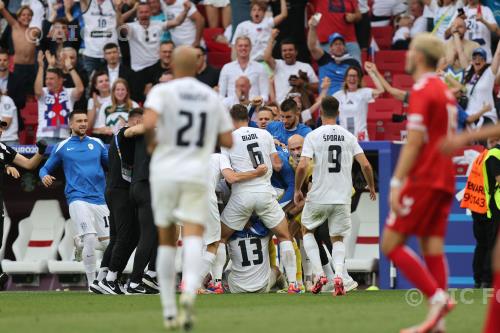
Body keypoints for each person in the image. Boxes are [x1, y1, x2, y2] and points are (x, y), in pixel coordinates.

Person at [143, 45, 233, 330]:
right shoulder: (209, 95)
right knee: (195, 233)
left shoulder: (162, 91)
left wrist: (153, 144)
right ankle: (190, 295)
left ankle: (169, 308)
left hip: (165, 170)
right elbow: (228, 140)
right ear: (197, 66)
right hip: (195, 170)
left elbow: (149, 125)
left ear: (172, 67)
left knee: (168, 238)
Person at [380, 33, 457, 332]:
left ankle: (437, 299)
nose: (407, 56)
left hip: (425, 176)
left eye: (411, 51)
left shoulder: (423, 89)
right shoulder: (445, 89)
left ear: (420, 56)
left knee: (390, 242)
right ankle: (438, 323)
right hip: (445, 176)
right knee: (432, 246)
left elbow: (413, 142)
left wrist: (397, 182)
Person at [294, 96, 376, 296]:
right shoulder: (349, 136)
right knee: (338, 238)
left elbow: (303, 165)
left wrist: (297, 189)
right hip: (342, 198)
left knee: (306, 231)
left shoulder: (313, 136)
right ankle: (339, 276)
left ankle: (320, 274)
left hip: (319, 195)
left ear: (320, 113)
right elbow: (365, 164)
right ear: (338, 113)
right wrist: (371, 186)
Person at [219, 104, 300, 294]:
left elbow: (227, 174)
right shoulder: (264, 135)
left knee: (220, 238)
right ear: (249, 119)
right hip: (265, 193)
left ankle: (215, 281)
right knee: (284, 236)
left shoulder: (227, 139)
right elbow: (278, 165)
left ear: (232, 121)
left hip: (241, 195)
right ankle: (294, 285)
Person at [39, 110, 110, 292]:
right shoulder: (62, 146)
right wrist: (44, 176)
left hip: (100, 199)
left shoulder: (97, 143)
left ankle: (101, 280)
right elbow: (44, 168)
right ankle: (92, 283)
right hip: (77, 198)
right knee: (90, 237)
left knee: (110, 244)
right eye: (79, 121)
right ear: (71, 124)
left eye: (85, 121)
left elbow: (111, 165)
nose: (83, 124)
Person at [440, 120, 500, 333]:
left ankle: (480, 280)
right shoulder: (491, 157)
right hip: (485, 206)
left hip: (477, 205)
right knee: (488, 246)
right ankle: (485, 280)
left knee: (483, 245)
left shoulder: (480, 157)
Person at [200, 152, 269, 294]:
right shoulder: (220, 157)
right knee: (214, 242)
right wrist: (256, 172)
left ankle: (191, 281)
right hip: (205, 198)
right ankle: (201, 282)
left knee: (192, 241)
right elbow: (231, 178)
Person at [97, 109, 145, 295]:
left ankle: (101, 278)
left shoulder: (124, 139)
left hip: (115, 190)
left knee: (118, 237)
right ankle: (111, 279)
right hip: (120, 192)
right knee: (128, 236)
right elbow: (131, 131)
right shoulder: (124, 133)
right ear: (136, 121)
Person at [117, 1, 190, 101]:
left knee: (158, 99)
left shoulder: (158, 25)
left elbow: (177, 22)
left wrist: (186, 10)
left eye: (146, 12)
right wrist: (133, 9)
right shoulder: (132, 27)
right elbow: (119, 24)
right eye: (141, 12)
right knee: (139, 100)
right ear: (137, 14)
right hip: (138, 71)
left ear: (150, 13)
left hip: (156, 69)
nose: (144, 14)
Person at [0, 137, 47, 288]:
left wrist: (41, 151)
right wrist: (6, 165)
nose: (1, 130)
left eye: (2, 128)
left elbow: (29, 164)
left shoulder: (3, 148)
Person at [34, 51, 84, 145]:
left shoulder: (69, 93)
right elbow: (37, 91)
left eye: (51, 79)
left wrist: (70, 67)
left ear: (61, 80)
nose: (48, 81)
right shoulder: (43, 92)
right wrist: (41, 67)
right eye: (47, 79)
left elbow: (80, 89)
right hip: (44, 137)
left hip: (64, 138)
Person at [226, 220, 286, 293]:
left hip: (236, 288)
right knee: (275, 269)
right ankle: (287, 287)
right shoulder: (265, 233)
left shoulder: (229, 237)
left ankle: (217, 283)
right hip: (262, 288)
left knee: (228, 270)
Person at [0, 1, 40, 112]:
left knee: (33, 95)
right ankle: (15, 117)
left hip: (32, 68)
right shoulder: (14, 26)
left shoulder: (33, 30)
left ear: (32, 17)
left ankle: (32, 118)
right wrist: (2, 6)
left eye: (28, 15)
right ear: (18, 16)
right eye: (23, 15)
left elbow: (40, 32)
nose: (26, 17)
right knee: (17, 95)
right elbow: (3, 10)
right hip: (18, 68)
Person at [307, 16, 361, 96]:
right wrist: (312, 28)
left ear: (344, 47)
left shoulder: (353, 62)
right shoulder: (324, 59)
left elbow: (360, 83)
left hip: (346, 101)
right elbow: (312, 47)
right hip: (327, 102)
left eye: (341, 44)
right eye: (335, 44)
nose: (338, 46)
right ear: (330, 48)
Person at [264, 30, 318, 104]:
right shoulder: (277, 64)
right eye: (284, 50)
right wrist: (271, 38)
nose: (287, 53)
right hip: (281, 108)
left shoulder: (306, 67)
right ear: (281, 53)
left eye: (290, 50)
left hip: (301, 108)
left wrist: (303, 83)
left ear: (296, 52)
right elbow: (266, 58)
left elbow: (317, 87)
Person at [333, 65, 384, 141]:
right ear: (345, 78)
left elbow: (381, 90)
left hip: (361, 137)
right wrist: (324, 90)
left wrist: (372, 73)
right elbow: (323, 105)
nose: (352, 79)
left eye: (355, 76)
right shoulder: (338, 95)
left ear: (359, 79)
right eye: (350, 76)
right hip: (344, 138)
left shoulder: (364, 92)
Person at [219, 36, 269, 103]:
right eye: (240, 46)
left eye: (246, 46)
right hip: (232, 109)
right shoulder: (226, 68)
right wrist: (230, 104)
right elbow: (221, 95)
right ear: (235, 47)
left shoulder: (260, 67)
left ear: (251, 47)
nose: (243, 48)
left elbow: (264, 95)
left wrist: (253, 104)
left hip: (253, 109)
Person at [463, 45, 500, 126]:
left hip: (486, 115)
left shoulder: (489, 73)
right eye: (475, 58)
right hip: (469, 116)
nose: (477, 60)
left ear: (485, 61)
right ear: (472, 61)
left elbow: (498, 53)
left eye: (481, 58)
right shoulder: (468, 73)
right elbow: (460, 53)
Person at [80, 0, 119, 77]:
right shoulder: (87, 2)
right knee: (91, 85)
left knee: (114, 83)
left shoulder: (114, 2)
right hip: (92, 54)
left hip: (111, 52)